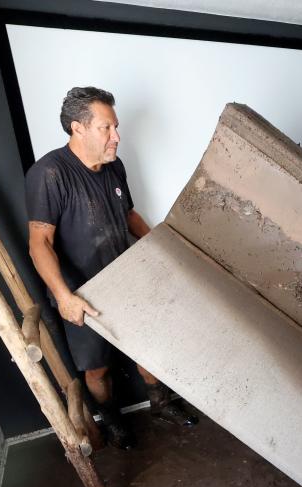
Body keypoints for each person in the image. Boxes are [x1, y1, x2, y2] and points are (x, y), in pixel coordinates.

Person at [25, 86, 197, 449]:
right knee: (97, 368)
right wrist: (64, 296)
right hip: (82, 292)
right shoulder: (50, 173)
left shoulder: (114, 166)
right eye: (107, 128)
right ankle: (114, 422)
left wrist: (159, 246)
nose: (116, 137)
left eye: (115, 127)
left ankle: (161, 404)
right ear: (78, 128)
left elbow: (129, 214)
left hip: (126, 278)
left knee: (148, 348)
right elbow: (39, 242)